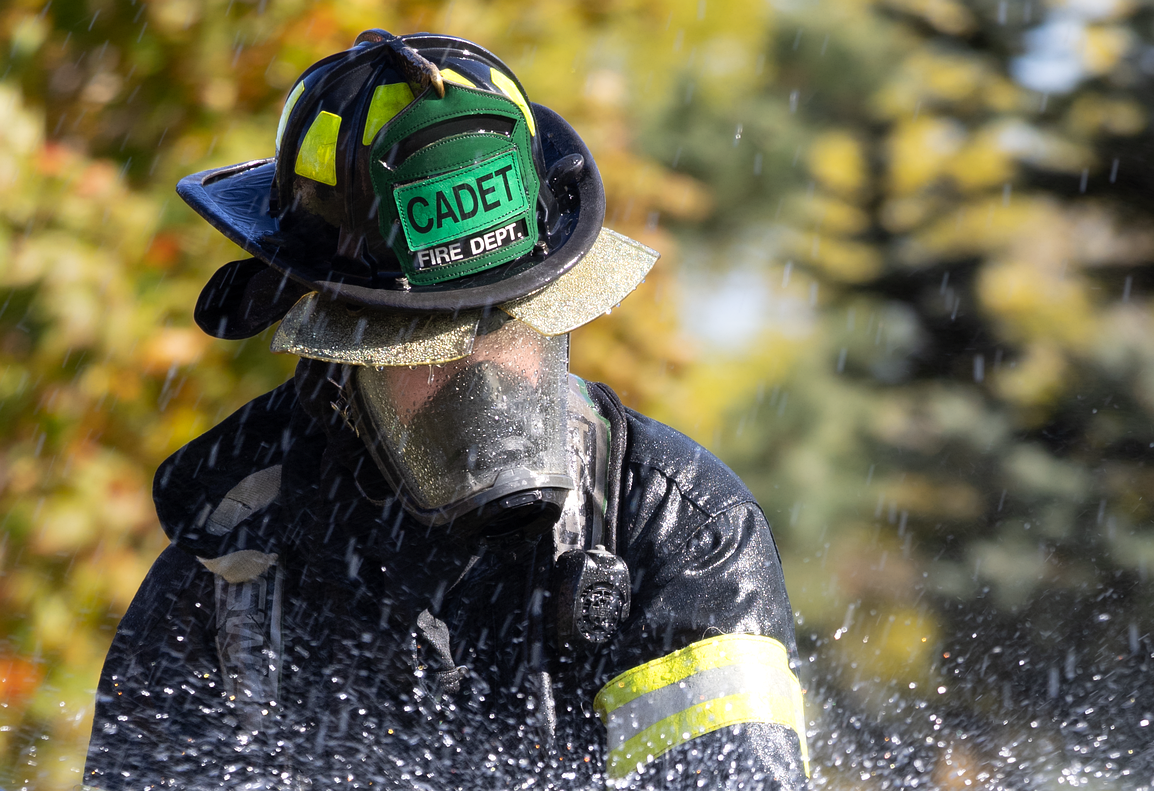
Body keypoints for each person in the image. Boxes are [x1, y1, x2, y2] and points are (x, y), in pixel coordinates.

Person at [83, 30, 808, 791]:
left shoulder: (673, 528)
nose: (486, 377)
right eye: (433, 345)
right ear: (344, 357)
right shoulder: (236, 562)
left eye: (509, 324)